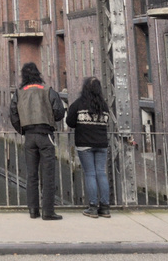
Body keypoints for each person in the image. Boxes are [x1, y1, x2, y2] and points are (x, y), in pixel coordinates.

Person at [7, 62, 64, 220]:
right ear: (38, 74)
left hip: (29, 136)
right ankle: (48, 212)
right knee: (48, 174)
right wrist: (51, 120)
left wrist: (23, 130)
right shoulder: (48, 90)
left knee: (31, 175)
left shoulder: (19, 93)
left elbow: (13, 114)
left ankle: (33, 210)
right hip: (45, 135)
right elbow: (59, 111)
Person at [66, 76, 112, 217]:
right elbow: (107, 122)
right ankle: (105, 207)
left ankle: (92, 207)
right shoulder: (104, 106)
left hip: (84, 144)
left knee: (90, 174)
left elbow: (70, 121)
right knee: (101, 173)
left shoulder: (79, 104)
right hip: (101, 144)